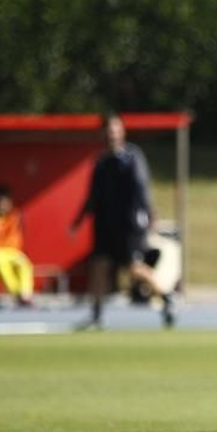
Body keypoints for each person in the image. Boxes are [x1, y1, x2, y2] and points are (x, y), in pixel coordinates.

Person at [70, 113, 176, 329]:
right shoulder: (100, 162)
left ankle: (166, 297)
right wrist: (79, 220)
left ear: (122, 132)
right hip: (104, 224)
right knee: (98, 266)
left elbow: (142, 187)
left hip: (128, 224)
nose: (112, 134)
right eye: (108, 131)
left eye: (116, 130)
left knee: (134, 268)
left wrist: (150, 214)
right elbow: (93, 195)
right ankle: (97, 315)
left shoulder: (132, 157)